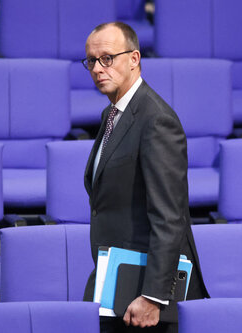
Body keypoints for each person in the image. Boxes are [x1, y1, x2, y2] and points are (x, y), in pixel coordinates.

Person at [81, 22, 209, 333]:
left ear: (134, 59)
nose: (98, 68)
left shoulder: (157, 120)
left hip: (145, 293)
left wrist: (153, 296)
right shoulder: (110, 115)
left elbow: (169, 216)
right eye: (91, 61)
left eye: (107, 58)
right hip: (116, 279)